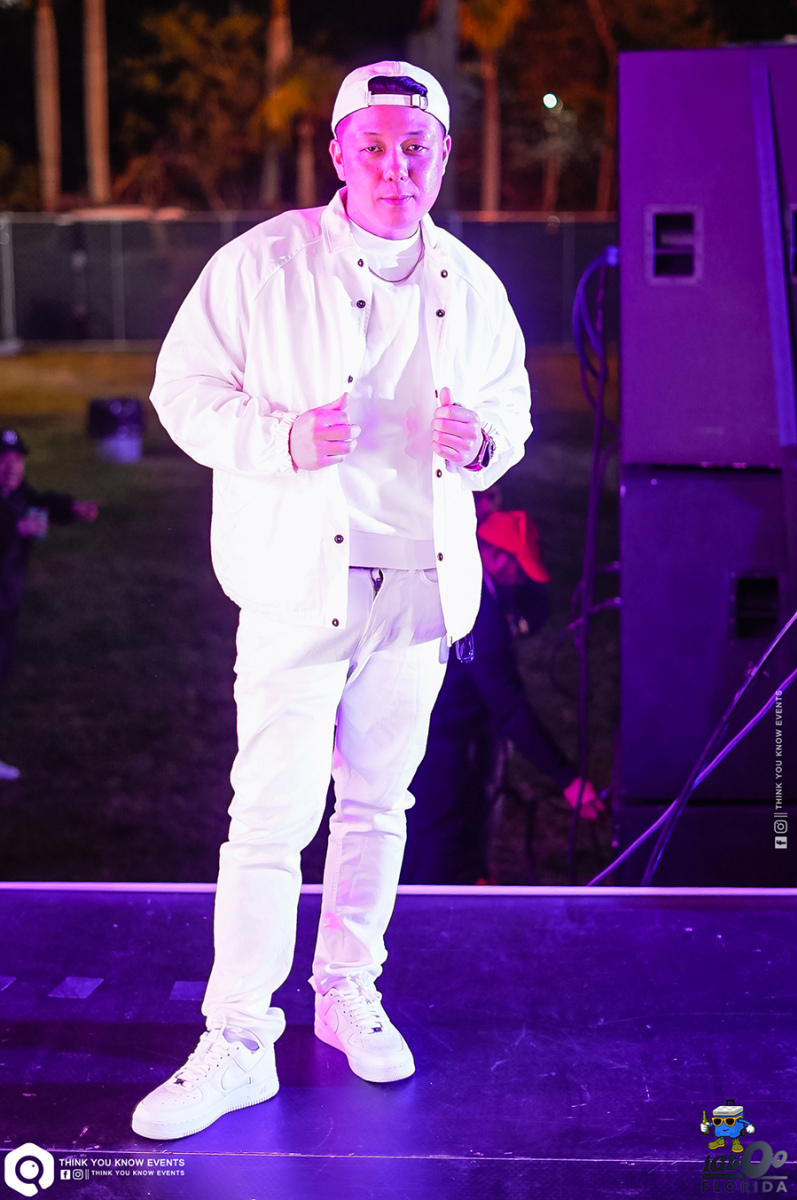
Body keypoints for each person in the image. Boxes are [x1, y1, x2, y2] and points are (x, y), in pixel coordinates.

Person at [134, 60, 532, 1141]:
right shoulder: (262, 265)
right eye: (375, 147)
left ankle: (347, 990)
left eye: (415, 148)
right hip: (296, 588)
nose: (395, 167)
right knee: (269, 818)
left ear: (441, 158)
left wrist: (483, 443)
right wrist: (281, 439)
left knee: (380, 806)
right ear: (339, 154)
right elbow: (181, 390)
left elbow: (510, 409)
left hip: (419, 593)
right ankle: (235, 1038)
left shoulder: (471, 283)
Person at [402, 488, 603, 885]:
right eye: (517, 568)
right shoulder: (478, 609)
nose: (521, 579)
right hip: (437, 744)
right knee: (437, 846)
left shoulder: (483, 584)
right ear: (493, 556)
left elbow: (537, 607)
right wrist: (566, 779)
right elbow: (508, 704)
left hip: (452, 737)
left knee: (446, 840)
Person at [0, 428, 99, 780]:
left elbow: (42, 503)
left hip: (6, 606)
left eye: (17, 459)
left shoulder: (17, 495)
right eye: (3, 459)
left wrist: (73, 507)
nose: (11, 466)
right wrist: (14, 530)